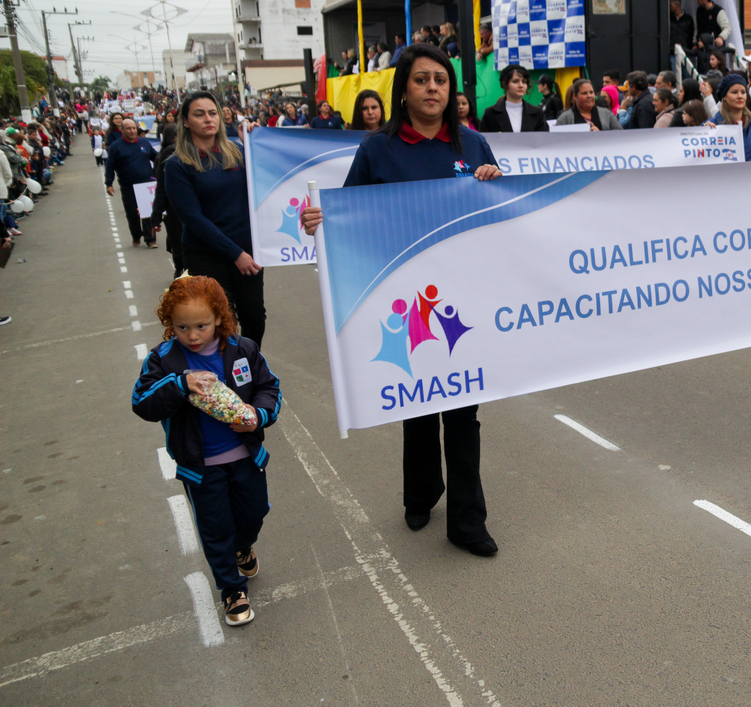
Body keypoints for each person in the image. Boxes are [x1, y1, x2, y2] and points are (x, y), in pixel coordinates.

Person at [300, 42, 503, 557]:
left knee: (462, 411)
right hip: (402, 299)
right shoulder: (378, 149)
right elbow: (347, 216)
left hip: (461, 301)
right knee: (418, 404)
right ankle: (420, 493)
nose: (433, 88)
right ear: (403, 90)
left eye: (441, 79)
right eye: (421, 79)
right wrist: (320, 222)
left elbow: (500, 218)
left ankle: (468, 521)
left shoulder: (474, 144)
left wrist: (494, 183)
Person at [132, 275, 280, 627]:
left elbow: (269, 388)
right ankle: (232, 589)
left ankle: (243, 545)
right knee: (216, 529)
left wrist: (257, 416)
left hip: (245, 457)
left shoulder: (242, 349)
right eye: (182, 327)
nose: (193, 335)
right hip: (201, 466)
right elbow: (142, 402)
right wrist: (180, 384)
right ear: (170, 323)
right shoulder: (164, 360)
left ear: (219, 318)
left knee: (254, 512)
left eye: (202, 325)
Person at [164, 91, 266, 347]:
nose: (208, 119)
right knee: (219, 322)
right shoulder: (177, 165)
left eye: (213, 113)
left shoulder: (238, 152)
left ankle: (247, 364)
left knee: (255, 318)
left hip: (247, 251)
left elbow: (264, 187)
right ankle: (223, 369)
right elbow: (193, 218)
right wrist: (235, 253)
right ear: (185, 121)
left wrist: (255, 144)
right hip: (206, 253)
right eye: (199, 114)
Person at [106, 117, 160, 248]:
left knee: (147, 213)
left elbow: (157, 158)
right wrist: (109, 183)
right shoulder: (116, 147)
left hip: (146, 184)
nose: (132, 131)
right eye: (128, 128)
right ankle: (136, 236)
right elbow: (110, 166)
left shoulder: (144, 143)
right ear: (122, 130)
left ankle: (150, 239)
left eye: (134, 128)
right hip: (128, 186)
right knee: (132, 215)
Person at [706, 73, 751, 161]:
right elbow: (702, 157)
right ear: (724, 97)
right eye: (734, 92)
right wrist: (705, 133)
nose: (740, 96)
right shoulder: (712, 125)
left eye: (743, 92)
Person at [152, 123, 184, 278]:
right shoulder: (170, 153)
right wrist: (157, 213)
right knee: (180, 244)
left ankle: (182, 271)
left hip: (182, 209)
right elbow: (162, 185)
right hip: (177, 209)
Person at [480, 64, 550, 133]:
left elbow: (544, 138)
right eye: (515, 81)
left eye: (524, 82)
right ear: (504, 84)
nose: (521, 85)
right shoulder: (490, 114)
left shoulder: (537, 113)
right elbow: (483, 138)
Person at [554, 80, 621, 130]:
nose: (589, 96)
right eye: (584, 93)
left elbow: (619, 136)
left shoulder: (607, 114)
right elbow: (557, 139)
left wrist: (600, 134)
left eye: (591, 92)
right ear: (575, 97)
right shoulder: (565, 118)